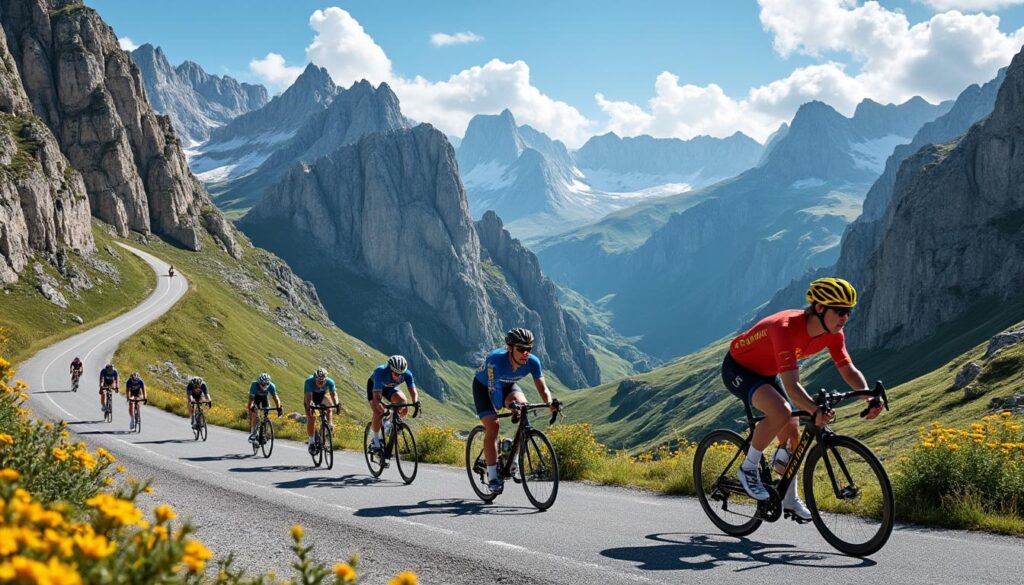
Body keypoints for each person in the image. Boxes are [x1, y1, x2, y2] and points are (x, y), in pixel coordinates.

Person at [722, 277, 883, 521]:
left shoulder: (834, 334)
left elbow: (848, 370)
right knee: (781, 411)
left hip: (767, 372)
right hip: (739, 369)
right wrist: (815, 409)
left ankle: (788, 498)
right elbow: (792, 386)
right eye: (840, 311)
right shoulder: (785, 328)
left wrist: (868, 397)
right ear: (819, 308)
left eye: (848, 312)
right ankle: (748, 468)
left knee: (793, 434)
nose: (845, 318)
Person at [473, 328, 558, 494]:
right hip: (485, 388)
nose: (525, 353)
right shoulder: (495, 361)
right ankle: (492, 477)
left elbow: (543, 388)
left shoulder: (533, 362)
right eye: (521, 349)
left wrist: (549, 403)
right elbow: (496, 396)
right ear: (510, 348)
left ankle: (514, 461)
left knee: (523, 407)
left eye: (529, 349)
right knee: (493, 426)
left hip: (508, 385)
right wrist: (509, 406)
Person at [366, 355, 419, 453]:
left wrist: (416, 402)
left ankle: (391, 426)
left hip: (390, 388)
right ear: (390, 369)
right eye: (395, 373)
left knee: (403, 404)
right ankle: (376, 441)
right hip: (374, 387)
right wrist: (380, 404)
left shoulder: (407, 374)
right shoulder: (380, 371)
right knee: (378, 411)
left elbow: (413, 391)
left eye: (400, 374)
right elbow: (377, 396)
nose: (398, 376)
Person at [303, 367, 338, 454]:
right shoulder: (309, 381)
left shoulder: (330, 382)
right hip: (311, 397)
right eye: (318, 380)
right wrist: (309, 407)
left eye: (322, 381)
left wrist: (337, 404)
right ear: (315, 378)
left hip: (322, 396)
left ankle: (329, 426)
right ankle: (311, 441)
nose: (320, 382)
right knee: (311, 418)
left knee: (329, 407)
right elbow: (308, 397)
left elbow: (333, 394)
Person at [247, 373, 282, 444]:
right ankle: (253, 433)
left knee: (266, 413)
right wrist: (251, 408)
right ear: (259, 383)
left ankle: (264, 432)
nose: (265, 386)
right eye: (263, 384)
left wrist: (279, 408)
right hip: (256, 398)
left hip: (264, 398)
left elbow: (276, 398)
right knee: (255, 415)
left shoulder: (271, 386)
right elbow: (251, 400)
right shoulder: (254, 385)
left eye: (267, 384)